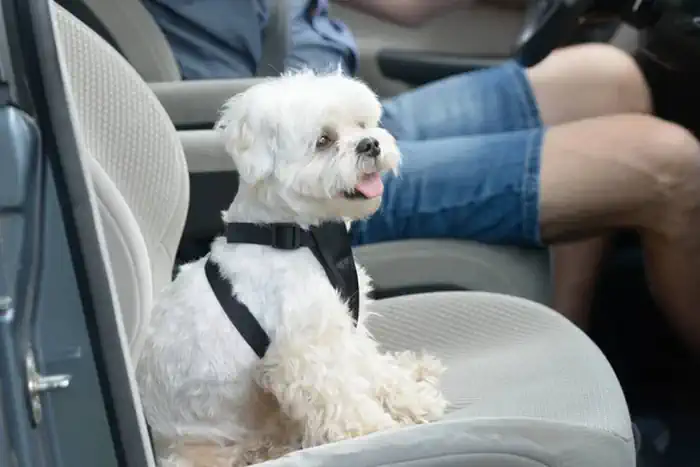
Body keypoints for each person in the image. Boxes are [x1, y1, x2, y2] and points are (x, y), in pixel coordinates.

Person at [143, 0, 700, 354]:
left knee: (607, 79)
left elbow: (407, 5)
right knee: (670, 166)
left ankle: (566, 340)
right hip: (304, 178)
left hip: (347, 118)